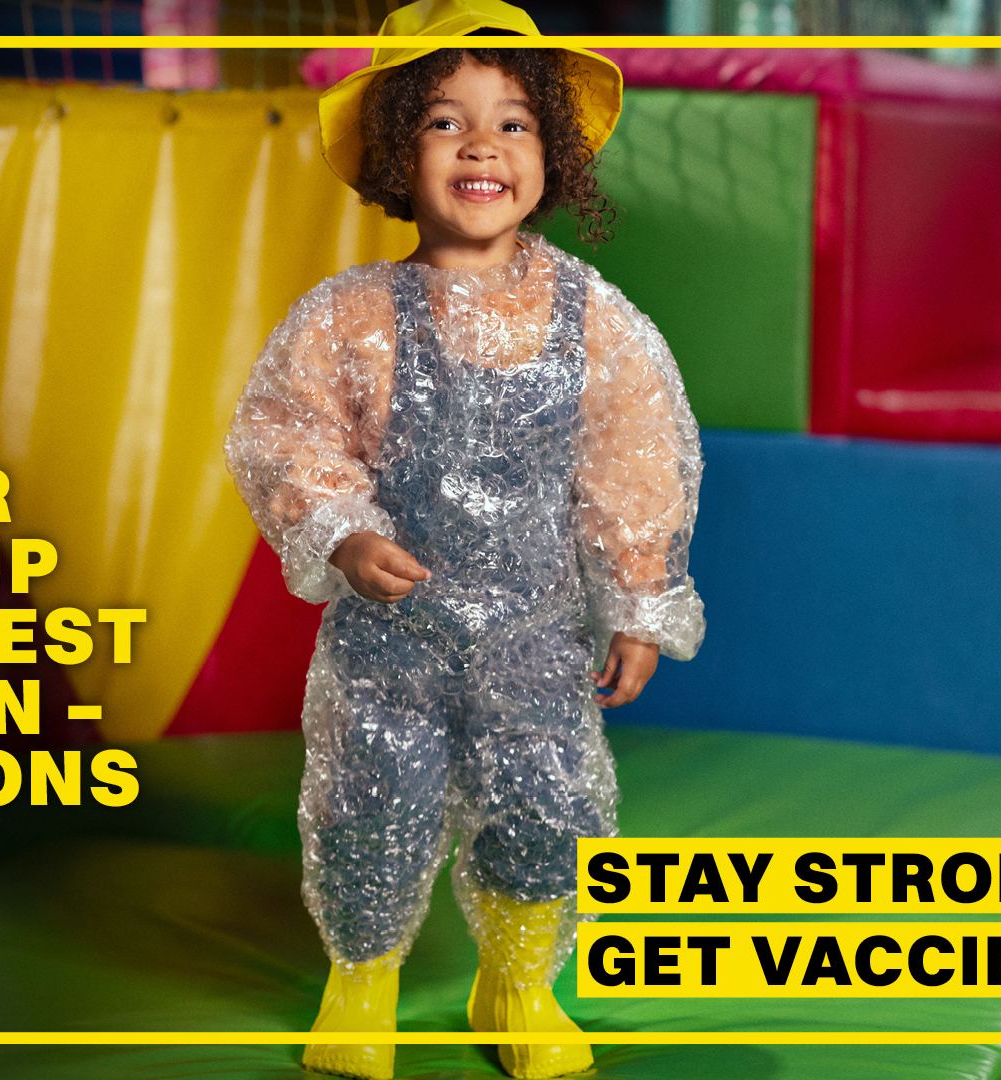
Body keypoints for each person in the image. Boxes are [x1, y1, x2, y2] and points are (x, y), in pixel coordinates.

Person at [225, 2, 703, 1076]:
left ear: (556, 157)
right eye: (445, 121)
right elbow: (288, 433)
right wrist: (344, 532)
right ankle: (362, 982)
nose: (482, 144)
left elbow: (639, 465)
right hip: (389, 644)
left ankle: (518, 984)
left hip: (536, 639)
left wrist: (638, 597)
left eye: (516, 124)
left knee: (548, 806)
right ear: (400, 150)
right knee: (368, 807)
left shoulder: (599, 321)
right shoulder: (354, 317)